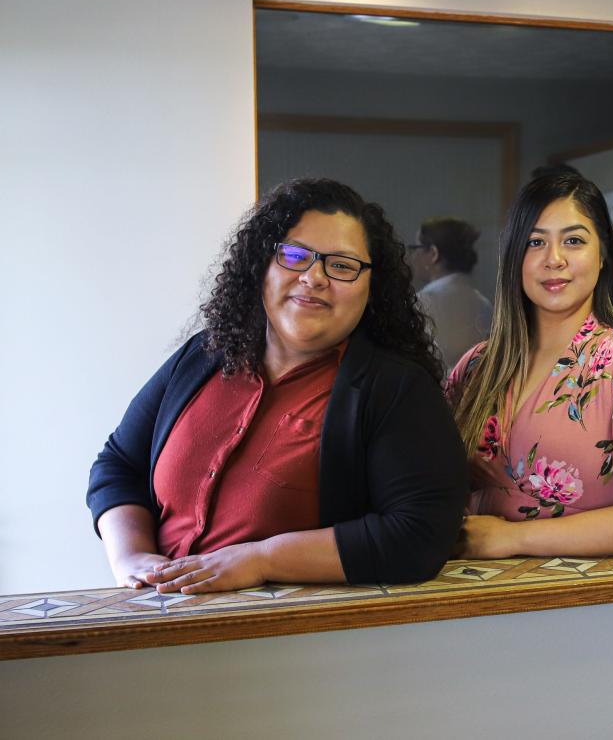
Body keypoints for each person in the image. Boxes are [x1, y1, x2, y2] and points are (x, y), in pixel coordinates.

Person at [87, 178, 468, 593]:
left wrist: (261, 558)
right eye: (295, 255)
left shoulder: (396, 390)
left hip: (288, 643)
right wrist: (131, 557)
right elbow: (119, 464)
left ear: (372, 287)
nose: (313, 277)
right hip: (152, 623)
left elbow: (419, 535)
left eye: (341, 265)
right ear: (261, 266)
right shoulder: (203, 355)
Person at [446, 172, 613, 559]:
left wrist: (510, 539)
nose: (554, 259)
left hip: (585, 603)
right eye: (536, 242)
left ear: (602, 255)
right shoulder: (477, 367)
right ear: (515, 257)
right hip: (465, 596)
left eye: (574, 240)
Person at [410, 216, 493, 368]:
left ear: (433, 254)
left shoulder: (422, 302)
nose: (413, 256)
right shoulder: (484, 304)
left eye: (416, 248)